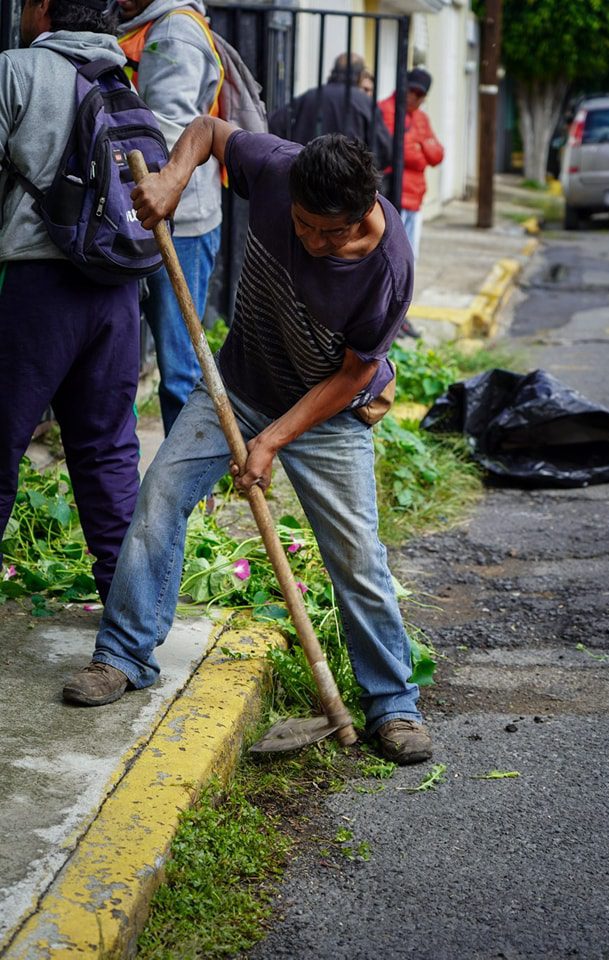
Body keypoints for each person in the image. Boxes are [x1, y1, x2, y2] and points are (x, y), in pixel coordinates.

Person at [62, 120, 434, 766]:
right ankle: (122, 654)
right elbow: (207, 130)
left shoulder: (388, 267)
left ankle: (392, 703)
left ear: (364, 211)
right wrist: (174, 180)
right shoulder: (277, 168)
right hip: (238, 383)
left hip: (328, 411)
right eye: (303, 225)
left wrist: (270, 442)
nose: (313, 240)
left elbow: (353, 374)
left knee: (356, 555)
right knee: (159, 497)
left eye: (330, 232)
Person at [0, 0, 141, 604]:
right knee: (108, 451)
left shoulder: (15, 69)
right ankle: (128, 619)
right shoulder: (123, 83)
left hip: (36, 287)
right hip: (117, 290)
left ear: (42, 11)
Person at [117, 0, 223, 435]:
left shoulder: (172, 33)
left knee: (181, 364)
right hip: (162, 214)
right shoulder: (153, 26)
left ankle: (194, 482)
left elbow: (166, 130)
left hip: (179, 222)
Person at [269, 52, 392, 171]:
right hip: (348, 178)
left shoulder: (310, 96)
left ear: (333, 71)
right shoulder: (364, 102)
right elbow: (384, 149)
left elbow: (275, 123)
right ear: (360, 75)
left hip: (308, 173)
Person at [380, 67, 444, 262]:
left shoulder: (421, 118)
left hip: (415, 196)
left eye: (420, 94)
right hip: (392, 193)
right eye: (412, 91)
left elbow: (437, 155)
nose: (414, 97)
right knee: (388, 255)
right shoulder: (386, 108)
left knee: (409, 258)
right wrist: (422, 145)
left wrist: (418, 144)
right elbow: (399, 150)